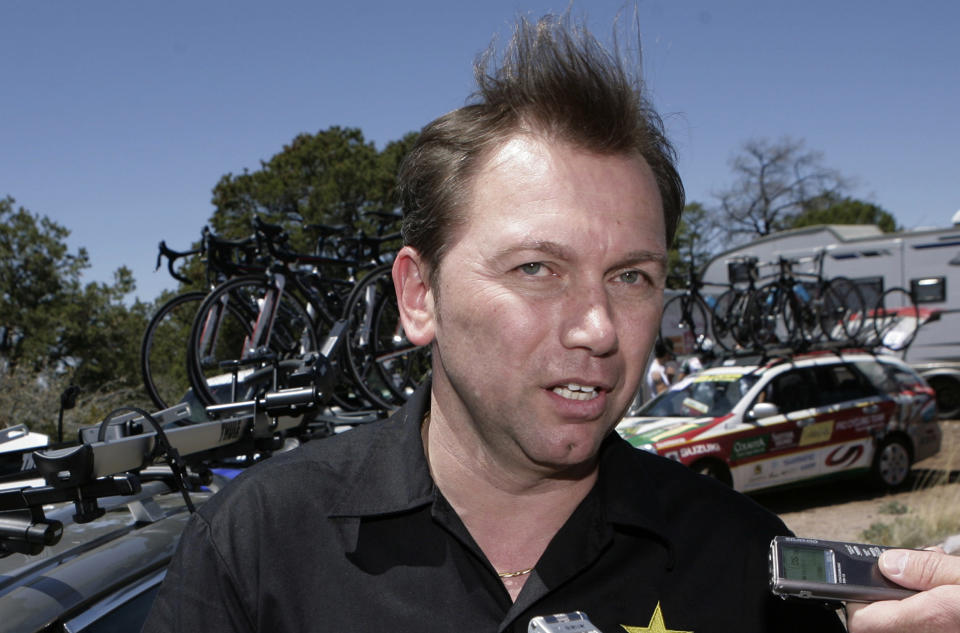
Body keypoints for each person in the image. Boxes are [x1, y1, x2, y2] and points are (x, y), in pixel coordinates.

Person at [143, 12, 959, 633]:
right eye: (537, 269)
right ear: (418, 294)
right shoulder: (254, 551)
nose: (599, 327)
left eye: (632, 276)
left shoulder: (743, 556)